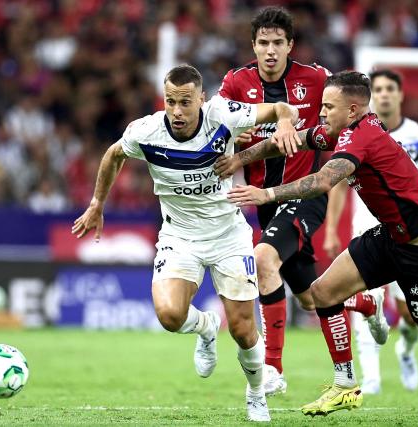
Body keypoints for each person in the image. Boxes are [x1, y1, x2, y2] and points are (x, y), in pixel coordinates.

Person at [216, 70, 418, 417]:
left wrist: (266, 194)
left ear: (352, 110)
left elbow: (324, 180)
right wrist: (239, 159)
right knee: (322, 292)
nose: (321, 113)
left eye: (329, 107)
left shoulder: (361, 137)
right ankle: (345, 385)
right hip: (390, 237)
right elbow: (293, 139)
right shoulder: (343, 130)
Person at [72, 64, 300, 422]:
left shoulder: (222, 114)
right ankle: (207, 328)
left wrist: (285, 121)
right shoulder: (146, 131)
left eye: (185, 103)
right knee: (169, 314)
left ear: (201, 99)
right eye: (170, 102)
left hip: (228, 234)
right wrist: (97, 203)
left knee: (242, 330)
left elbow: (282, 108)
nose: (176, 111)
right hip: (179, 235)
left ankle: (256, 393)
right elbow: (113, 154)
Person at [218, 6, 388, 396]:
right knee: (312, 298)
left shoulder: (316, 79)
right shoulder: (235, 83)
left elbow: (355, 110)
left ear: (290, 45)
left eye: (279, 43)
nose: (271, 51)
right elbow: (215, 126)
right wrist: (236, 140)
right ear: (254, 46)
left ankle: (273, 370)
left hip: (305, 195)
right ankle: (365, 304)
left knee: (263, 260)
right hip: (264, 202)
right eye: (264, 43)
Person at [325, 69, 418, 394]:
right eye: (379, 88)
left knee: (409, 316)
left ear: (399, 96)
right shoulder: (347, 134)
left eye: (389, 89)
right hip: (369, 226)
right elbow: (338, 183)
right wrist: (330, 229)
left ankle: (406, 350)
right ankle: (369, 379)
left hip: (412, 232)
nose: (384, 94)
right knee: (348, 293)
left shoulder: (417, 134)